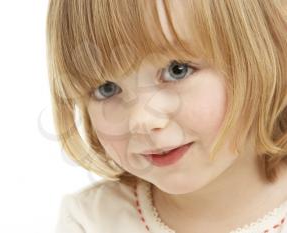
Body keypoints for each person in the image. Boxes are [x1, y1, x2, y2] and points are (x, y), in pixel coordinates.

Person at [46, 0, 287, 232]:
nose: (141, 121)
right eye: (106, 88)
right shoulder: (91, 221)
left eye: (177, 70)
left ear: (270, 49)